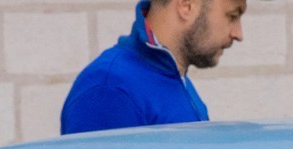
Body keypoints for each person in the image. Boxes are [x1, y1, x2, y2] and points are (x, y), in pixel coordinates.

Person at [60, 0, 244, 136]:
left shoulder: (173, 77)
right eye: (232, 16)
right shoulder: (109, 90)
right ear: (186, 5)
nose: (238, 34)